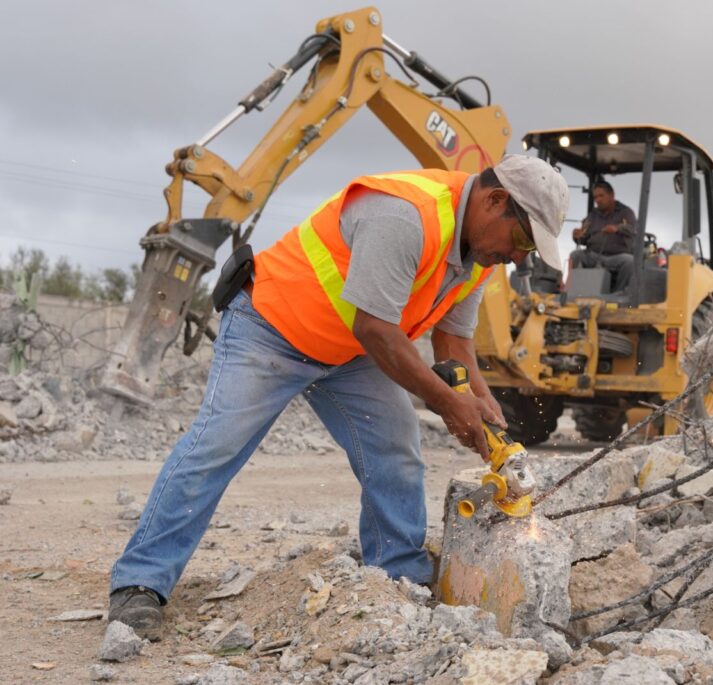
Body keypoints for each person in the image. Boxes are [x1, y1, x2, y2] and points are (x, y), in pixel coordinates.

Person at [107, 155, 569, 640]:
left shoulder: (478, 257)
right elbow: (376, 327)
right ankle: (140, 582)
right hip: (272, 327)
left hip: (350, 350)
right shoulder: (405, 214)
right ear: (495, 201)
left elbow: (453, 344)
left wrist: (483, 406)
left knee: (396, 451)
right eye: (522, 241)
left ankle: (398, 575)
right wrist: (450, 404)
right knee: (215, 446)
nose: (519, 257)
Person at [569, 181, 638, 292]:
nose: (598, 200)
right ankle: (573, 292)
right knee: (575, 255)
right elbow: (583, 237)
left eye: (601, 196)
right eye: (595, 197)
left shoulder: (626, 212)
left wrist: (617, 228)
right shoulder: (592, 216)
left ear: (611, 195)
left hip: (617, 256)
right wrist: (577, 235)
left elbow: (633, 230)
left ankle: (618, 295)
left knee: (630, 262)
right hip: (594, 255)